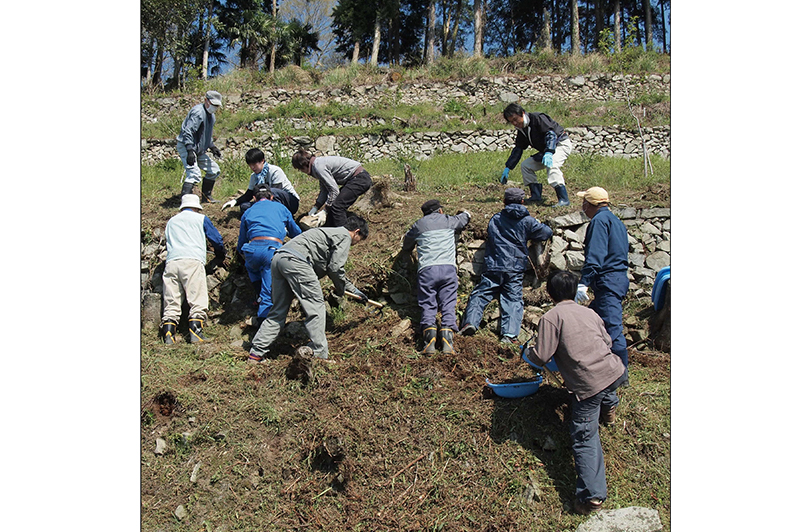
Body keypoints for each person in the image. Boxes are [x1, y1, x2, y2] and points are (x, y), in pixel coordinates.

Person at [522, 270, 626, 515]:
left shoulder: (551, 317)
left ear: (550, 293)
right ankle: (610, 406)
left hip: (589, 386)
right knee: (607, 386)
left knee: (584, 438)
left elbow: (542, 355)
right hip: (614, 370)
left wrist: (527, 354)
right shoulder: (590, 312)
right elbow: (608, 343)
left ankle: (592, 496)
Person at [247, 214, 370, 363]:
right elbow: (336, 268)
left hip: (279, 259)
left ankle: (256, 353)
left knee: (278, 310)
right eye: (359, 240)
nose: (356, 244)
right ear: (356, 232)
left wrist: (354, 290)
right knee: (316, 306)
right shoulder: (344, 236)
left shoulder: (328, 233)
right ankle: (319, 353)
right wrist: (341, 290)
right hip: (297, 261)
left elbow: (331, 268)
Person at [459, 188, 553, 343]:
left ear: (504, 201)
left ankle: (470, 322)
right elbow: (546, 233)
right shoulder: (527, 221)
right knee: (513, 298)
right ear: (522, 201)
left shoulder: (496, 219)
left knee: (480, 294)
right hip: (514, 267)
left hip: (494, 264)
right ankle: (508, 335)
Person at [402, 199, 471, 355]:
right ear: (440, 210)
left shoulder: (418, 225)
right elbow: (464, 219)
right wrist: (466, 212)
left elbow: (406, 245)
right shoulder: (448, 220)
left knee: (428, 304)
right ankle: (448, 343)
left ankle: (429, 343)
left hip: (427, 271)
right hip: (448, 269)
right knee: (448, 303)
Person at [575, 186, 630, 375]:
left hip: (608, 280)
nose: (582, 207)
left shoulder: (599, 221)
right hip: (617, 278)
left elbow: (596, 255)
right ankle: (595, 367)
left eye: (584, 203)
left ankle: (620, 375)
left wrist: (584, 282)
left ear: (591, 204)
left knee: (613, 328)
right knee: (592, 323)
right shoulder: (616, 221)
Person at [160, 194, 226, 344]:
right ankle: (196, 333)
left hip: (172, 261)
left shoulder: (171, 221)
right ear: (197, 207)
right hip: (192, 261)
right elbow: (216, 239)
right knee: (197, 297)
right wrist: (220, 254)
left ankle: (169, 335)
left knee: (172, 299)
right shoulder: (200, 218)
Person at [236, 184, 303, 322]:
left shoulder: (248, 211)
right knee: (268, 290)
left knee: (251, 268)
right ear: (271, 197)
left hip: (252, 250)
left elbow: (241, 240)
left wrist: (241, 254)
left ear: (254, 198)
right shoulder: (281, 208)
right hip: (271, 250)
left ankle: (258, 294)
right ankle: (263, 321)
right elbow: (296, 233)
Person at [500, 102, 573, 207]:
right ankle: (536, 196)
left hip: (560, 144)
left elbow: (550, 134)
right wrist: (508, 167)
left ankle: (563, 199)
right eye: (512, 122)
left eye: (515, 119)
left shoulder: (538, 118)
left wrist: (549, 152)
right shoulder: (522, 130)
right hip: (546, 150)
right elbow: (519, 148)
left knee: (552, 166)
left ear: (522, 113)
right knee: (526, 166)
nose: (515, 123)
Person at [291, 149, 373, 227]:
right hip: (355, 179)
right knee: (333, 206)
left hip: (360, 179)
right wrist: (316, 207)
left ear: (304, 165)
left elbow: (334, 191)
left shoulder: (319, 167)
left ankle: (343, 235)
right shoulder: (316, 165)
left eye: (300, 169)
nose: (302, 172)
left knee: (337, 206)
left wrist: (325, 210)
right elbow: (324, 191)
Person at [176, 90, 224, 202]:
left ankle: (206, 198)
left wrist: (212, 147)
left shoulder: (211, 116)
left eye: (217, 106)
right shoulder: (198, 112)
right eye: (213, 104)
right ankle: (185, 203)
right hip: (186, 145)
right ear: (206, 100)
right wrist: (189, 150)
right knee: (194, 174)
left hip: (199, 149)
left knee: (214, 170)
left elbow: (206, 134)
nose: (214, 107)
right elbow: (188, 131)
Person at [221, 148, 301, 215]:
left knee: (270, 191)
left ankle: (278, 218)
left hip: (288, 202)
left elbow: (275, 192)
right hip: (267, 203)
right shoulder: (254, 177)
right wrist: (235, 201)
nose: (252, 167)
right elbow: (248, 195)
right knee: (244, 206)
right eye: (250, 165)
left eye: (254, 164)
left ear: (262, 161)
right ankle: (263, 216)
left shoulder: (275, 171)